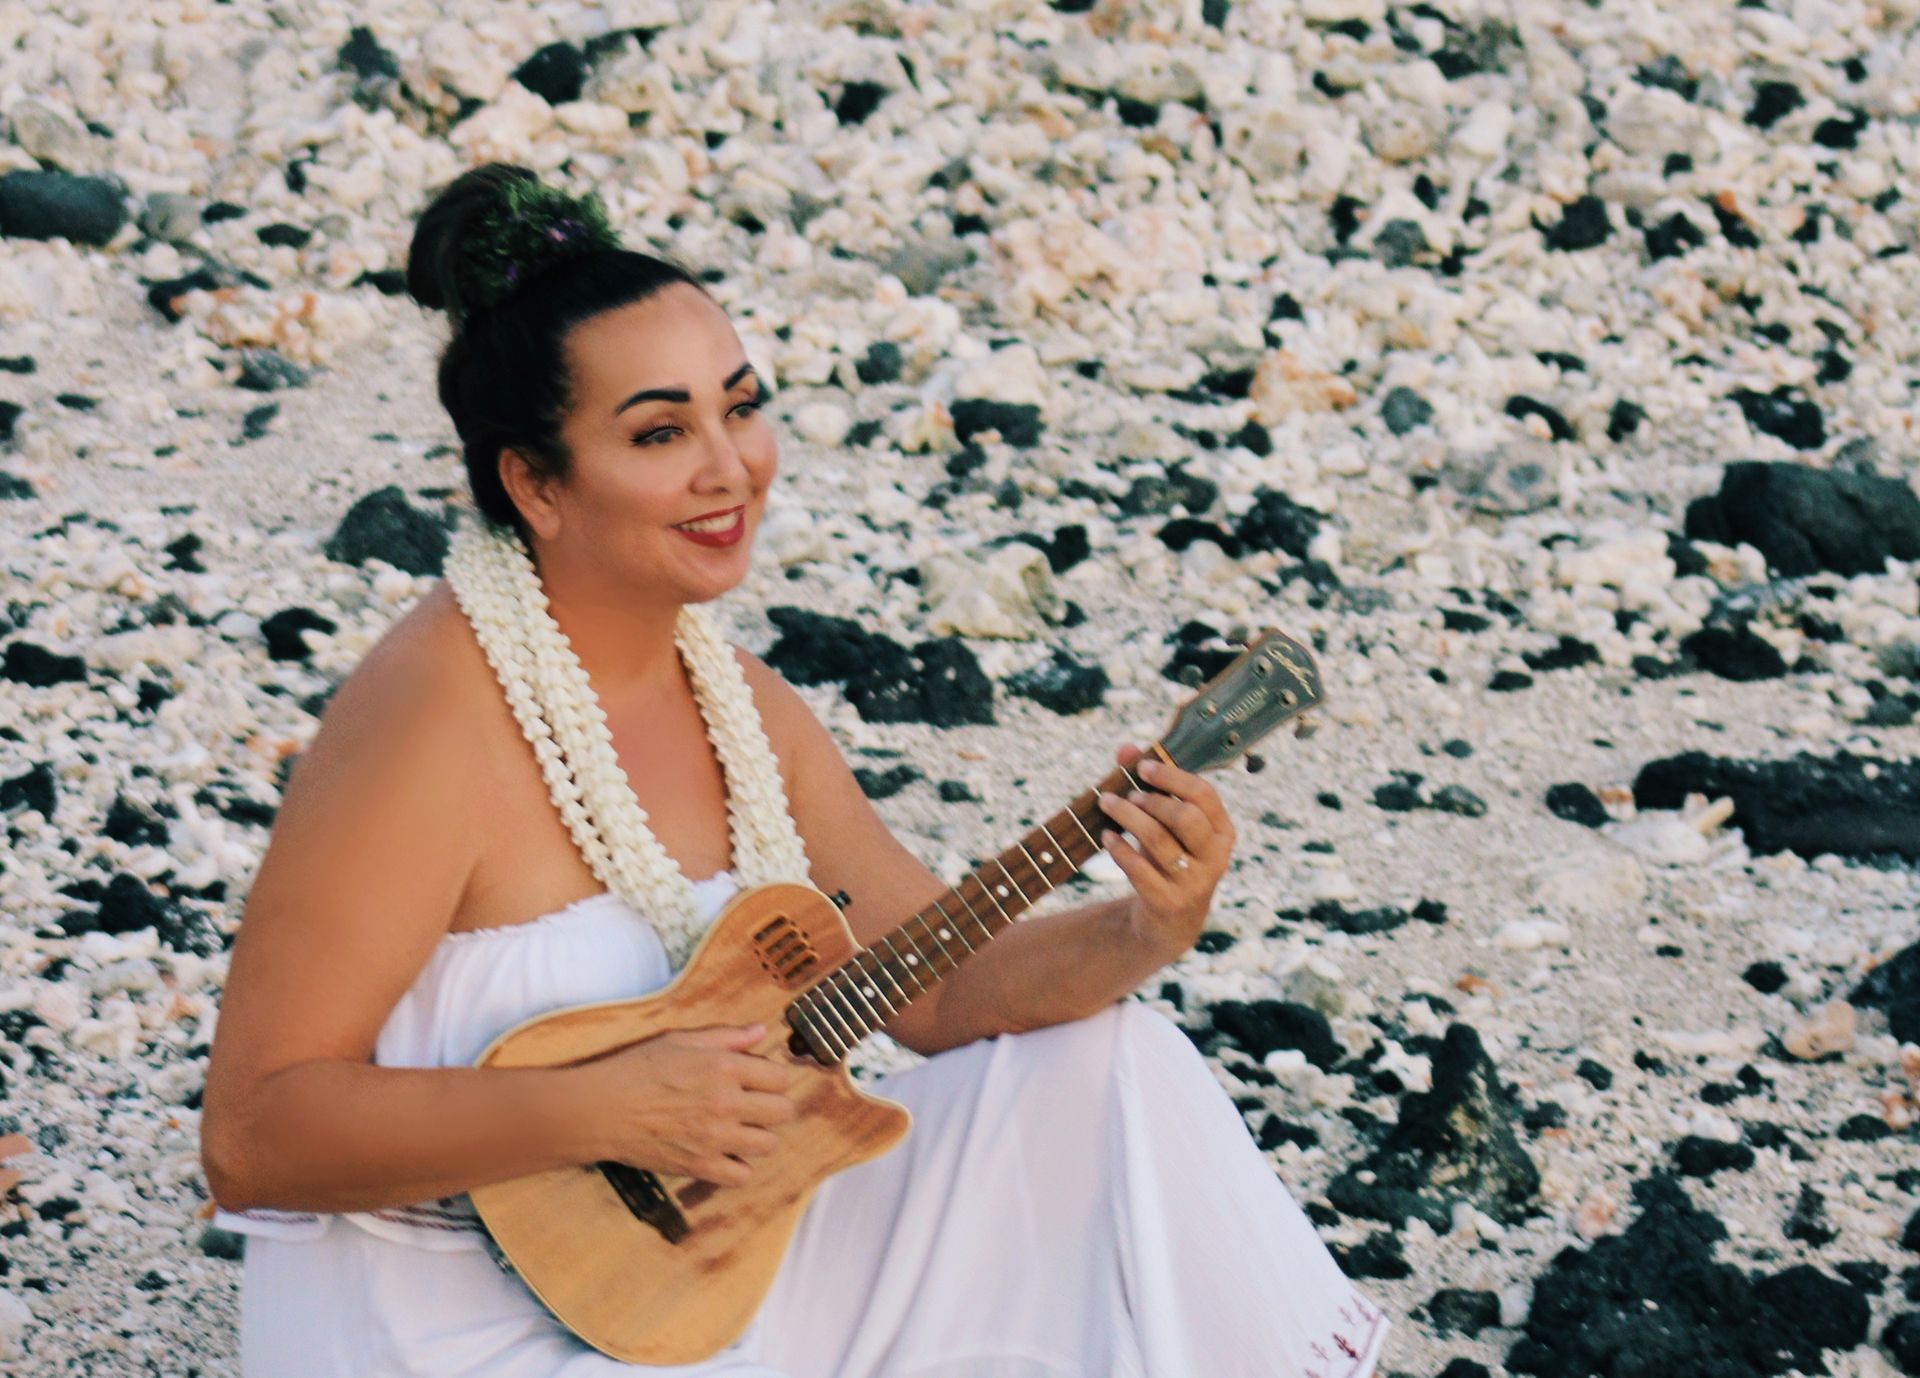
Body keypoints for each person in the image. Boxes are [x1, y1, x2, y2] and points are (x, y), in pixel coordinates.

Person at [198, 162, 1390, 1378]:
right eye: (661, 432)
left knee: (1117, 1072)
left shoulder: (734, 701)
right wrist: (605, 1108)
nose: (732, 468)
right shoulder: (429, 726)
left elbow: (934, 989)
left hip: (709, 1262)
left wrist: (1149, 923)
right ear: (534, 483)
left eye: (742, 407)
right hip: (442, 1322)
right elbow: (251, 1135)